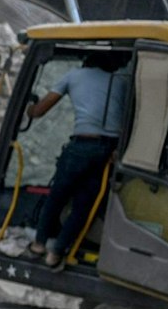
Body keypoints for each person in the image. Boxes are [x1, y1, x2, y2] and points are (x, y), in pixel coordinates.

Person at [25, 49, 132, 267]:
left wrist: (30, 109)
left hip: (82, 145)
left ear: (87, 61)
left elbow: (40, 111)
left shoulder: (73, 76)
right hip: (109, 152)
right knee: (84, 205)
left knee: (57, 196)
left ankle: (39, 244)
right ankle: (56, 252)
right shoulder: (120, 83)